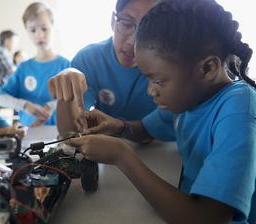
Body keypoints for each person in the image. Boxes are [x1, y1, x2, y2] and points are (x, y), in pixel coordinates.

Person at [65, 0, 256, 223]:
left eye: (158, 81)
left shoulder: (239, 111)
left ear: (208, 68)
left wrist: (122, 156)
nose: (150, 92)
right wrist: (119, 126)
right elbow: (146, 129)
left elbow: (206, 217)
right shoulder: (192, 97)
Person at [48, 0, 159, 136]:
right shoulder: (88, 60)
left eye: (146, 29)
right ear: (113, 20)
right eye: (127, 24)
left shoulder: (165, 66)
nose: (133, 42)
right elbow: (70, 131)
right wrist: (66, 94)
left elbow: (165, 127)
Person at [0, 2, 70, 127]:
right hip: (29, 133)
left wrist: (53, 105)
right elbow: (1, 97)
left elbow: (78, 99)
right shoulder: (23, 68)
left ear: (53, 26)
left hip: (60, 131)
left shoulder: (66, 65)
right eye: (32, 30)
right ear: (26, 31)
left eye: (44, 28)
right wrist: (24, 105)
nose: (39, 35)